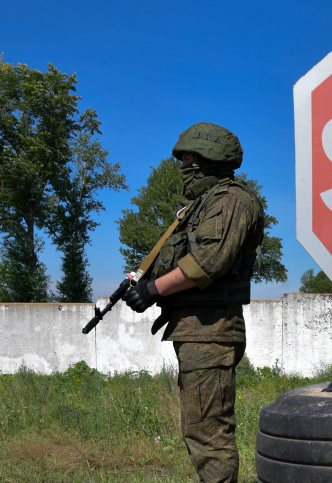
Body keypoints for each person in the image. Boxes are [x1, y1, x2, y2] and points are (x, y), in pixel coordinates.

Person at [123, 122, 265, 483]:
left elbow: (209, 261)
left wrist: (153, 291)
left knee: (209, 436)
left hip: (211, 332)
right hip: (196, 331)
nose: (183, 166)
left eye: (187, 158)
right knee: (199, 430)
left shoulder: (233, 200)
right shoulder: (200, 206)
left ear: (208, 158)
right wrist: (144, 282)